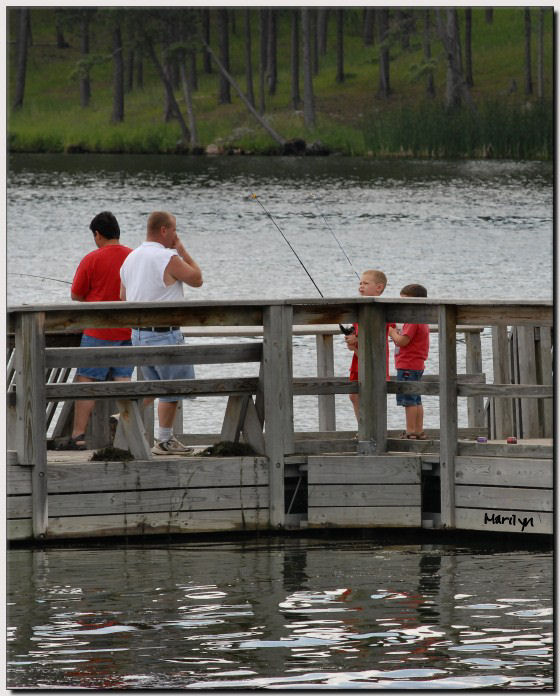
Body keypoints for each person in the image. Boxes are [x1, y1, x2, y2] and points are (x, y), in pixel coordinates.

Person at [120, 211, 203, 455]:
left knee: (156, 386)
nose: (176, 235)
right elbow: (197, 279)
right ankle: (162, 439)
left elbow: (123, 297)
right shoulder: (168, 257)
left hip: (138, 335)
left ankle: (130, 414)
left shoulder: (130, 258)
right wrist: (182, 250)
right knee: (173, 388)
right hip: (164, 333)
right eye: (175, 230)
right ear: (164, 230)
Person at [57, 211, 133, 450]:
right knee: (123, 380)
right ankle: (128, 436)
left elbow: (76, 294)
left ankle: (78, 435)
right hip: (127, 332)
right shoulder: (133, 257)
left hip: (97, 333)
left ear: (98, 234)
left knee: (86, 380)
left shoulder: (91, 258)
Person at [344, 269, 394, 423]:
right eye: (360, 283)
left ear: (379, 288)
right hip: (358, 359)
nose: (361, 286)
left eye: (366, 283)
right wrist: (351, 341)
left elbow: (375, 336)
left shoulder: (382, 309)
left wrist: (357, 341)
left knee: (372, 394)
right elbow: (355, 342)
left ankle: (371, 428)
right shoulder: (359, 310)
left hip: (375, 360)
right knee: (354, 394)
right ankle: (363, 427)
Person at [388, 284, 430, 440]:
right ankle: (419, 431)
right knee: (416, 398)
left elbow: (402, 341)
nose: (402, 304)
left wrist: (392, 332)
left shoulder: (412, 321)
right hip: (416, 365)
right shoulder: (421, 319)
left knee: (408, 400)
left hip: (407, 365)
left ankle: (410, 431)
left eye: (405, 300)